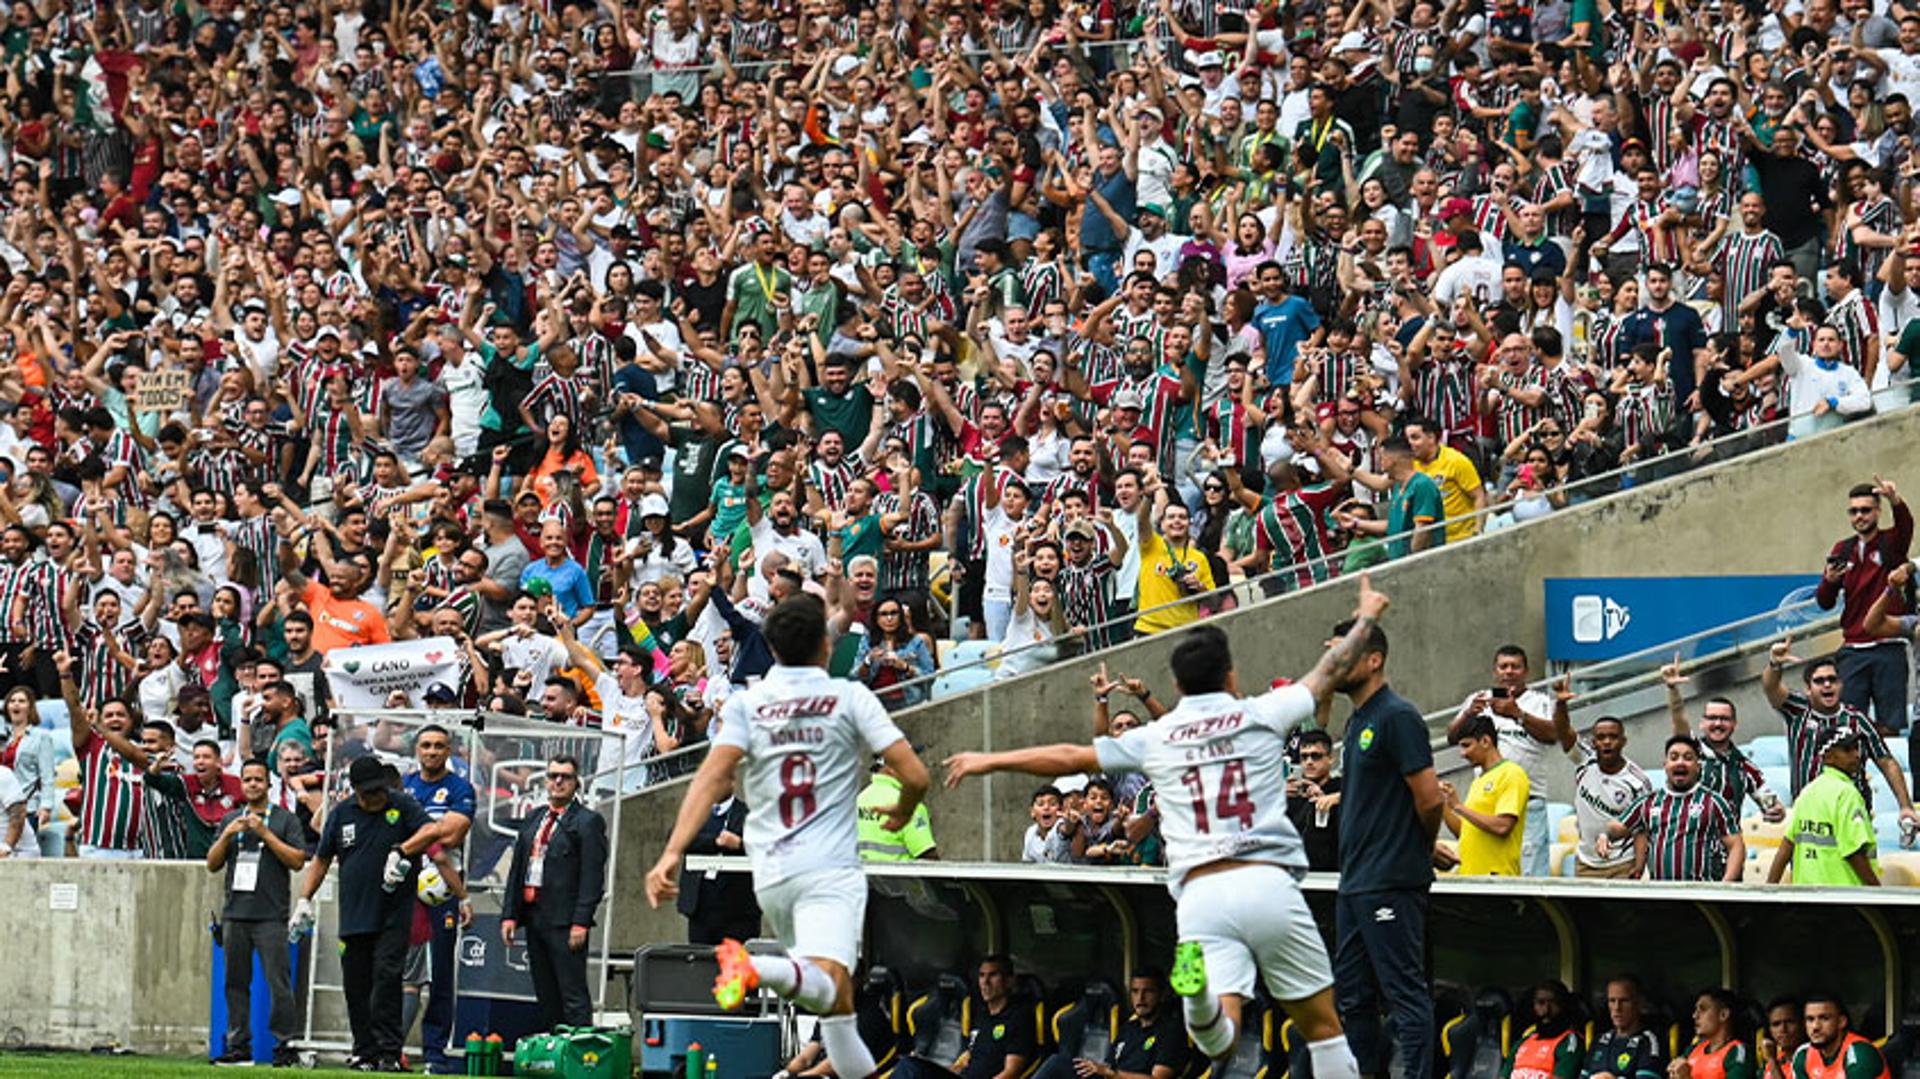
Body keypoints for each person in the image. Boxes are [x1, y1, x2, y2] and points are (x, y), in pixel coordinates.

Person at [946, 577, 1392, 1078]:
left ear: (1177, 686)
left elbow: (1071, 755)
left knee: (1218, 1037)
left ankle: (1197, 1000)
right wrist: (1367, 617)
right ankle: (1205, 1001)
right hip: (1267, 882)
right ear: (1230, 676)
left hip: (1201, 895)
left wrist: (989, 759)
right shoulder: (1262, 713)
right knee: (1324, 1029)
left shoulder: (1159, 736)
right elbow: (1328, 670)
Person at [645, 594, 931, 1079]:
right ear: (825, 644)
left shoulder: (746, 704)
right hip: (829, 869)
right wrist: (903, 810)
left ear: (770, 648)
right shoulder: (850, 697)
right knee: (827, 982)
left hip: (772, 873)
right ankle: (757, 970)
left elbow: (712, 777)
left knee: (839, 1008)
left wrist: (672, 850)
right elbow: (916, 776)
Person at [1329, 601, 1445, 1079]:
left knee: (1404, 994)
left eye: (1341, 654)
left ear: (1373, 659)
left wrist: (1415, 846)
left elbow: (1431, 799)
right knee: (1352, 996)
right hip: (1355, 880)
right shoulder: (1357, 720)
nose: (1332, 664)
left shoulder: (1397, 716)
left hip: (1391, 879)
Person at [290, 756, 437, 1072]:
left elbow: (431, 831)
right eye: (368, 792)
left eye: (379, 790)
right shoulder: (342, 814)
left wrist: (402, 850)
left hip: (393, 915)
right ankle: (363, 1052)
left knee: (386, 980)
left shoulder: (402, 806)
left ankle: (389, 1052)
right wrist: (304, 899)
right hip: (355, 915)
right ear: (355, 790)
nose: (376, 797)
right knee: (356, 986)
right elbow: (322, 858)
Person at [206, 759, 309, 1068]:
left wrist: (264, 832)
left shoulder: (285, 820)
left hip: (270, 916)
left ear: (268, 784)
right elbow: (212, 864)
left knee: (278, 982)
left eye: (258, 780)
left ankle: (284, 1045)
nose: (252, 785)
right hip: (235, 913)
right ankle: (238, 1046)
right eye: (247, 779)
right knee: (235, 983)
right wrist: (227, 836)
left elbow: (297, 860)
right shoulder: (230, 819)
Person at [500, 756, 610, 1032]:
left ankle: (580, 1056)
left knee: (572, 993)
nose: (558, 781)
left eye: (565, 777)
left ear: (576, 783)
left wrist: (581, 921)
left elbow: (592, 876)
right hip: (535, 914)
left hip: (565, 920)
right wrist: (510, 914)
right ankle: (552, 1054)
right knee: (545, 993)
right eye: (552, 776)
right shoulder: (534, 817)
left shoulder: (587, 821)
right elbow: (517, 869)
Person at [1762, 637, 1920, 828]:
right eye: (1819, 681)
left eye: (1832, 680)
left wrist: (1905, 806)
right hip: (1809, 816)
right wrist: (1774, 663)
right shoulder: (1797, 711)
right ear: (1808, 689)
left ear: (1841, 685)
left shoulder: (1857, 720)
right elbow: (1771, 688)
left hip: (1852, 817)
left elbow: (1886, 761)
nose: (1827, 685)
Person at [401, 725, 478, 1071]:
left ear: (449, 752)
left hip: (441, 890)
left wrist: (416, 836)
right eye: (426, 745)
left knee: (441, 973)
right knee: (398, 972)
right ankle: (390, 1047)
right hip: (401, 888)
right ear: (417, 749)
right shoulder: (404, 787)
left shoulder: (460, 789)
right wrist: (430, 833)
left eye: (438, 746)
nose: (431, 752)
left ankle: (434, 1052)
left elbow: (453, 832)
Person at [1445, 645, 1557, 876]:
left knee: (1530, 875)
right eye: (1503, 666)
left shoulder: (1540, 702)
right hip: (1485, 797)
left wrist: (1518, 714)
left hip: (1529, 798)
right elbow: (1452, 737)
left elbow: (1553, 735)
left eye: (1515, 667)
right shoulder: (1478, 700)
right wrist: (1467, 714)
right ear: (1495, 671)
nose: (1509, 672)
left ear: (1525, 671)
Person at [1815, 477, 1912, 737]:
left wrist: (1895, 500)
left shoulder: (1890, 541)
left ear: (1878, 512)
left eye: (1866, 510)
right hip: (1853, 649)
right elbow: (1824, 602)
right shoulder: (1842, 549)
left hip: (1889, 646)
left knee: (1890, 727)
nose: (1860, 516)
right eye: (1854, 511)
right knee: (1847, 727)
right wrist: (1830, 581)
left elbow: (1905, 527)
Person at [1601, 736, 1745, 883]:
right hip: (1661, 895)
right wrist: (1605, 835)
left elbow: (1736, 845)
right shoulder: (1649, 802)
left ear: (1698, 766)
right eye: (1674, 757)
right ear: (1665, 765)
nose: (1680, 762)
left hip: (1700, 894)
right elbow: (1618, 828)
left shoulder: (1713, 802)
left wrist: (1725, 884)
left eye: (1688, 758)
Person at [891, 955, 1038, 1079]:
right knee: (909, 1063)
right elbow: (969, 1055)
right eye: (982, 975)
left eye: (993, 975)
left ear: (1009, 981)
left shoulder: (1018, 1019)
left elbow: (1011, 1072)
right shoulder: (983, 1016)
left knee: (910, 1067)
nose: (985, 982)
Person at [1553, 701, 1654, 880]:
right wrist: (1561, 703)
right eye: (1601, 738)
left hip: (1622, 864)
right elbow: (1562, 731)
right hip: (1586, 863)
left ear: (1623, 741)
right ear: (1594, 742)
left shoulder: (1638, 781)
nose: (1607, 742)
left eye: (1613, 737)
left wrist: (1639, 866)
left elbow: (1641, 829)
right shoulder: (1584, 761)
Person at [1766, 732, 1882, 887]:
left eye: (1857, 748)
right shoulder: (1847, 794)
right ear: (1828, 757)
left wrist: (1769, 887)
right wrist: (1876, 890)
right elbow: (1854, 852)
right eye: (1847, 750)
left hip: (1806, 896)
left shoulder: (1808, 791)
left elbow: (1787, 846)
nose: (1856, 755)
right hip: (1844, 897)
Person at [1033, 969, 1187, 1079]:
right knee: (1057, 1063)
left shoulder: (1170, 1031)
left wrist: (1112, 1074)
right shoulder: (1129, 1028)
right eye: (1135, 991)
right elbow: (1110, 1065)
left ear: (1161, 995)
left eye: (1148, 992)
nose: (1140, 998)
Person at [1442, 715, 1529, 877]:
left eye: (1466, 745)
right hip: (1470, 875)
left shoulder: (1512, 774)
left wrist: (1459, 807)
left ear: (1485, 741)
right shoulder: (1479, 780)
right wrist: (1444, 804)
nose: (1463, 754)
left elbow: (1502, 826)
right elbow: (1465, 831)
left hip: (1496, 878)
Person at [675, 798, 760, 946]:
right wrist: (715, 842)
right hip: (700, 907)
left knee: (735, 966)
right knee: (701, 964)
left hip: (738, 910)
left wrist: (739, 844)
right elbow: (677, 839)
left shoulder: (749, 814)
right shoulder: (694, 811)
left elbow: (765, 845)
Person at [1585, 976, 1668, 1079]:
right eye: (1612, 1000)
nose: (1617, 1008)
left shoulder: (1649, 1042)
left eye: (1624, 1001)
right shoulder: (1598, 1041)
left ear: (1639, 1003)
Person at [856, 759, 938, 861]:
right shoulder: (908, 804)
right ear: (890, 769)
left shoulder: (858, 800)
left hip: (860, 874)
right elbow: (928, 857)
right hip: (899, 875)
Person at [1284, 729, 1343, 872]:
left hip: (1332, 874)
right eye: (1304, 757)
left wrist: (1329, 799)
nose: (1309, 762)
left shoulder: (1342, 788)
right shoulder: (1292, 792)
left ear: (1330, 758)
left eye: (1316, 756)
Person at [1787, 998, 1886, 1079]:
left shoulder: (1860, 1052)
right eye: (1810, 1019)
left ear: (1841, 1022)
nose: (1815, 1026)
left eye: (1824, 1018)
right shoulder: (1803, 1054)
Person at [1505, 981, 1584, 1079]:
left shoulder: (1569, 1042)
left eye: (1553, 1002)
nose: (1546, 1009)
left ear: (1563, 1005)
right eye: (1541, 1002)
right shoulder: (1523, 1042)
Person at [1674, 990, 1757, 1079]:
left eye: (1703, 1009)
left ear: (1723, 1015)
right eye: (1696, 1010)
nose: (1695, 1016)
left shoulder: (1738, 1052)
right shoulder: (1692, 1050)